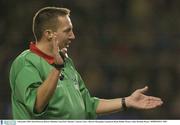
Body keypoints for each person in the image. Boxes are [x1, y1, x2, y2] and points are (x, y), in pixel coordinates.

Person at [9, 7, 163, 119]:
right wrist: (56, 69)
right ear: (49, 34)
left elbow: (87, 105)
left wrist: (127, 101)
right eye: (67, 30)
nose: (73, 36)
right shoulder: (26, 62)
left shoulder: (66, 63)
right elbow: (36, 104)